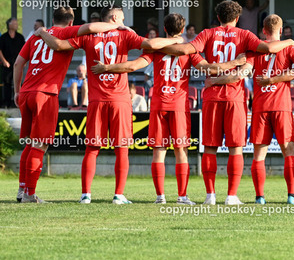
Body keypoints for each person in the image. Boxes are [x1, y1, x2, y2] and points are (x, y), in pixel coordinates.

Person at [38, 5, 184, 205]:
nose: (124, 22)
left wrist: (43, 33)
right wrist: (175, 40)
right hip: (119, 99)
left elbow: (60, 46)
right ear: (114, 18)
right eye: (122, 18)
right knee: (121, 148)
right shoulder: (124, 35)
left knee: (92, 148)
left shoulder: (88, 36)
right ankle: (118, 195)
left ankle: (86, 195)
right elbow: (151, 44)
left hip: (96, 99)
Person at [91, 13, 242, 205]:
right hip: (179, 105)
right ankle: (182, 197)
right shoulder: (189, 50)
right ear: (182, 29)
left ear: (164, 29)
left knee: (158, 152)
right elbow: (210, 69)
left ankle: (160, 197)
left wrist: (107, 68)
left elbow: (133, 66)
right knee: (181, 151)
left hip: (158, 104)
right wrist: (235, 63)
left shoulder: (155, 49)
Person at [160, 0, 294, 205]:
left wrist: (205, 67)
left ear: (218, 17)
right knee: (236, 148)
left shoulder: (207, 33)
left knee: (209, 147)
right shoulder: (245, 35)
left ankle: (210, 196)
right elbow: (268, 47)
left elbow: (188, 51)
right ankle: (231, 196)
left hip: (211, 97)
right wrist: (289, 41)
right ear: (237, 18)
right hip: (235, 97)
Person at [210, 14, 294, 204]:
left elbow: (241, 74)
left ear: (263, 31)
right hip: (282, 107)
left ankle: (260, 197)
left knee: (259, 155)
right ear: (281, 30)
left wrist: (215, 80)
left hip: (260, 108)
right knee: (289, 152)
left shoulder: (255, 50)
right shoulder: (289, 48)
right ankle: (291, 195)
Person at [13, 6, 130, 203]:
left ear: (53, 19)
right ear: (70, 22)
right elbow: (91, 27)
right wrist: (117, 25)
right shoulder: (67, 31)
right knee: (40, 144)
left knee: (30, 142)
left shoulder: (35, 37)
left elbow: (18, 63)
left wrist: (17, 91)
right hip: (45, 93)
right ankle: (29, 194)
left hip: (26, 92)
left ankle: (22, 189)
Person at [0, 17, 25, 107]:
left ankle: (18, 102)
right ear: (9, 25)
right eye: (14, 23)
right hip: (7, 64)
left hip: (18, 64)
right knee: (7, 82)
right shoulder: (3, 37)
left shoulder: (20, 37)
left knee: (18, 83)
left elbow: (24, 50)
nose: (16, 25)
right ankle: (7, 103)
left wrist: (24, 62)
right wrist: (4, 61)